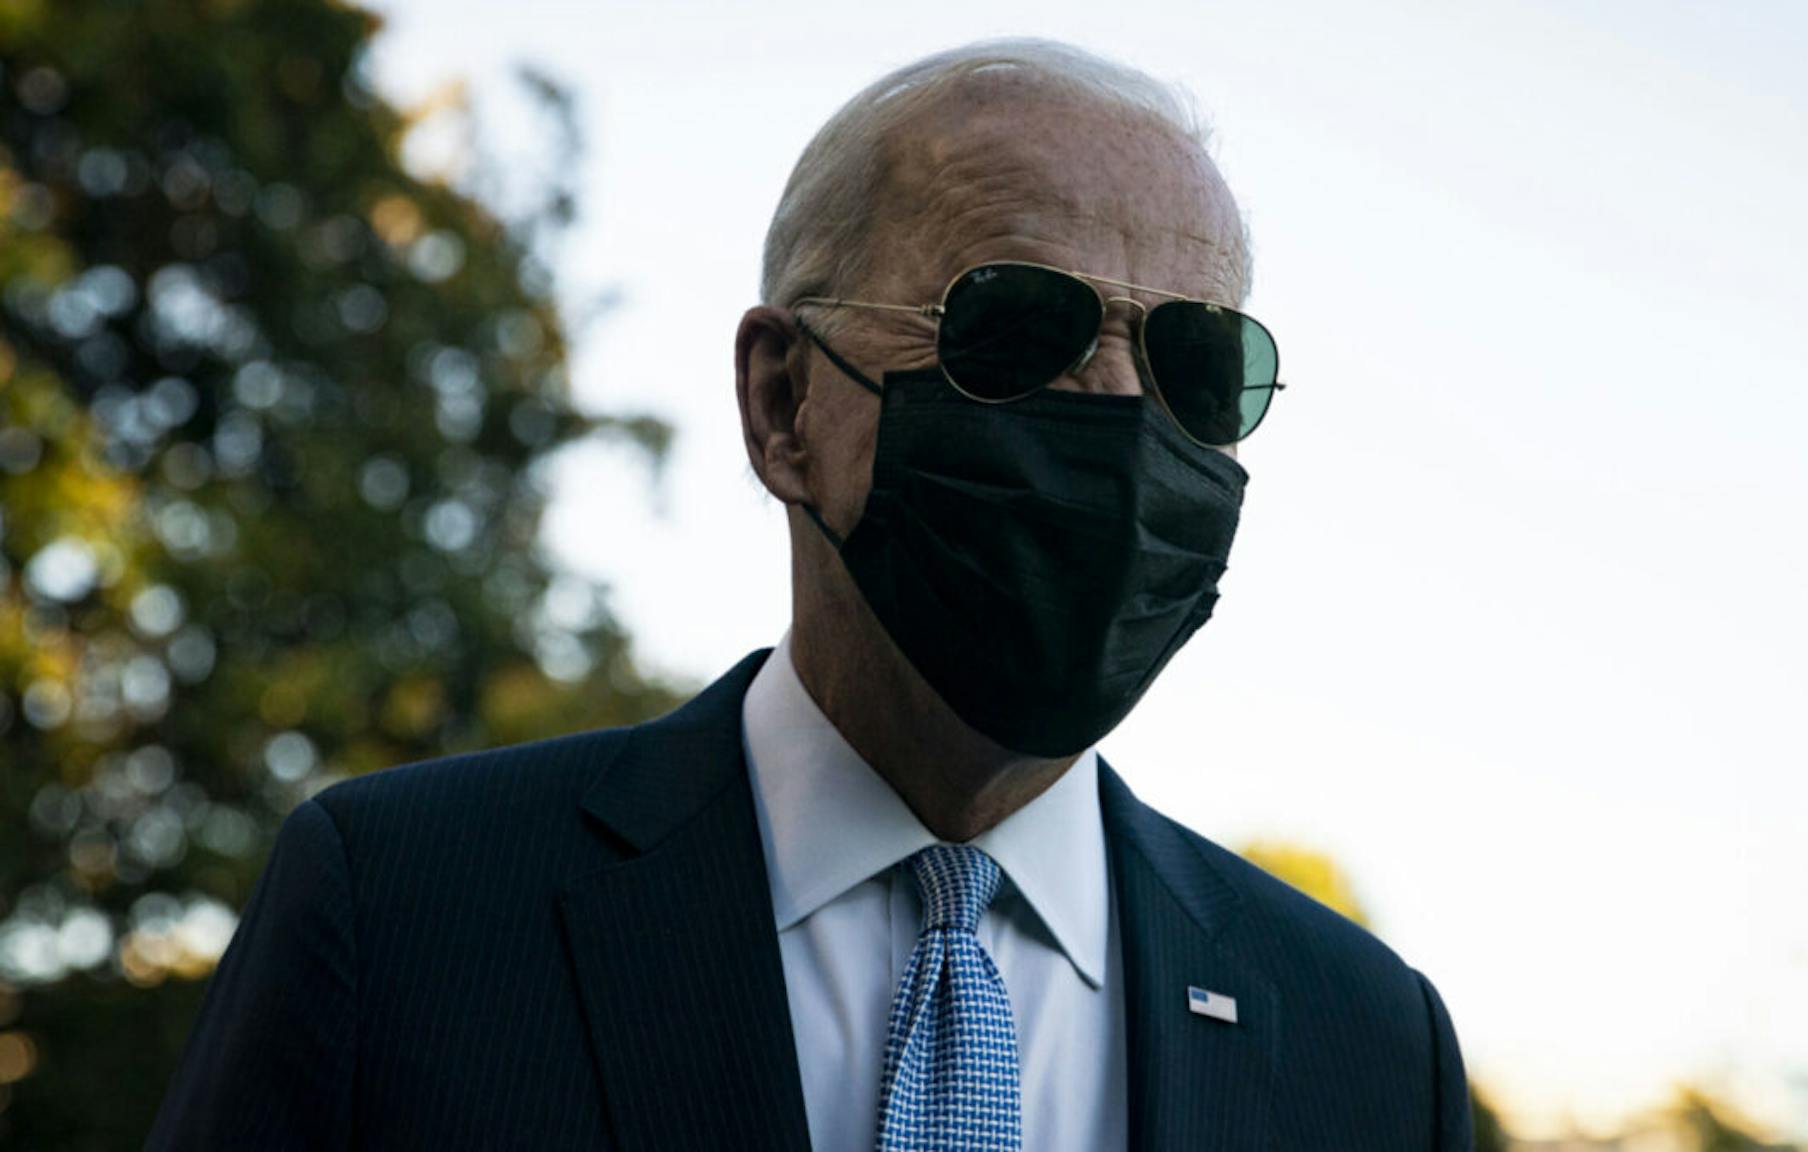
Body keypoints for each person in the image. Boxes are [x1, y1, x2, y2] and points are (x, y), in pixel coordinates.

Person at [147, 38, 1471, 1151]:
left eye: (1198, 363)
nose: (1125, 417)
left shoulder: (1365, 1046)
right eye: (1016, 332)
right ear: (784, 403)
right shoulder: (405, 916)